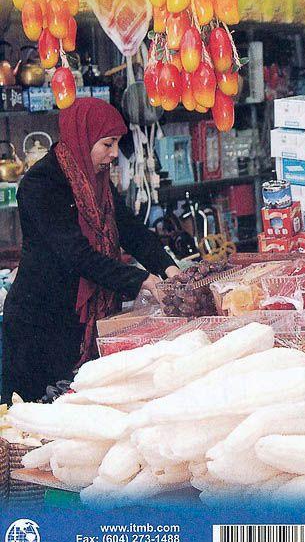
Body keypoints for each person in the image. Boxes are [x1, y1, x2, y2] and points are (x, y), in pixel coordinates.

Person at [2, 98, 179, 404]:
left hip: (77, 326)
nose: (113, 154)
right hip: (41, 328)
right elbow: (75, 254)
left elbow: (132, 232)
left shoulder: (97, 182)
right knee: (36, 423)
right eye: (108, 144)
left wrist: (170, 269)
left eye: (117, 144)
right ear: (82, 137)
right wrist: (142, 280)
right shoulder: (41, 185)